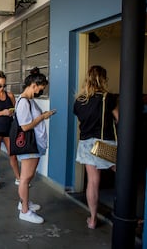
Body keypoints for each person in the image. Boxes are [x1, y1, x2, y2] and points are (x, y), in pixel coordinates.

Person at [74, 65, 119, 229]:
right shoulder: (109, 98)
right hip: (105, 142)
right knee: (122, 175)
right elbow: (119, 119)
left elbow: (82, 119)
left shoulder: (79, 100)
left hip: (86, 143)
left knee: (93, 182)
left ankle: (92, 220)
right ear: (103, 79)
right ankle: (124, 212)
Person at [16, 67, 54, 224]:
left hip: (35, 144)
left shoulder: (29, 101)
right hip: (30, 145)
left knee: (28, 177)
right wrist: (43, 116)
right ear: (33, 85)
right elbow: (25, 126)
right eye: (41, 88)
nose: (42, 91)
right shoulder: (24, 102)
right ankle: (25, 211)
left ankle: (24, 202)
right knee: (25, 178)